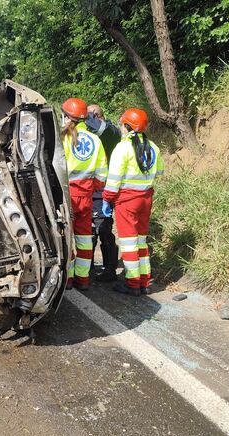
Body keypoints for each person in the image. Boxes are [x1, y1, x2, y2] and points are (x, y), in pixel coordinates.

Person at [101, 108, 164, 296]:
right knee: (141, 241)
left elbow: (114, 179)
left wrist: (107, 199)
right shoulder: (153, 147)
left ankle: (132, 283)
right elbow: (159, 173)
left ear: (127, 126)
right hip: (146, 198)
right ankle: (144, 281)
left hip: (127, 201)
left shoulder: (123, 148)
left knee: (128, 243)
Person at [61, 97, 108, 291]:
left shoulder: (63, 138)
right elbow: (102, 173)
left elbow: (56, 169)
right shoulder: (96, 140)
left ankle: (69, 279)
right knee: (84, 238)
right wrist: (91, 187)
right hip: (87, 196)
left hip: (67, 196)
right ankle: (83, 279)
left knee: (67, 238)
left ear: (66, 117)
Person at [85, 104, 120, 282]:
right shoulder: (88, 135)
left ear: (97, 116)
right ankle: (87, 269)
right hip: (87, 190)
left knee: (104, 229)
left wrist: (85, 117)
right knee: (87, 232)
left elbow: (103, 130)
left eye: (91, 115)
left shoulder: (111, 132)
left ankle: (110, 270)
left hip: (104, 191)